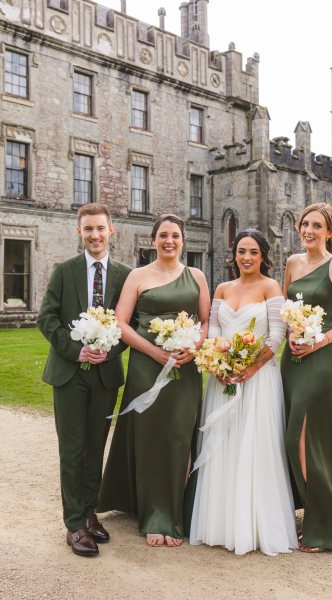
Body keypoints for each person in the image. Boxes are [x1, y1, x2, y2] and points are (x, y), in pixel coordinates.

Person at [97, 214, 210, 547]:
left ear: (183, 240)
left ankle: (176, 509)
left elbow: (206, 321)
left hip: (185, 368)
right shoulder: (138, 276)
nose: (169, 241)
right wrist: (155, 352)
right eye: (163, 235)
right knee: (149, 436)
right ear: (153, 239)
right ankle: (153, 513)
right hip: (147, 367)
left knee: (179, 435)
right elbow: (122, 323)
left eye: (175, 235)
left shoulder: (197, 276)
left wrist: (194, 346)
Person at [190, 229, 298, 556]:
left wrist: (249, 368)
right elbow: (214, 330)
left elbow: (277, 335)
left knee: (256, 446)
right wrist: (219, 366)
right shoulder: (222, 288)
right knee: (222, 444)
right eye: (241, 251)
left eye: (253, 252)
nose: (246, 257)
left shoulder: (270, 287)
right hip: (222, 379)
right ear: (233, 255)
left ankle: (254, 525)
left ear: (263, 256)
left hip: (260, 379)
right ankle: (220, 523)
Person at [37, 203, 132, 556]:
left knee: (95, 447)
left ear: (112, 231)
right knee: (72, 449)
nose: (94, 235)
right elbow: (46, 318)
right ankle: (74, 523)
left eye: (100, 228)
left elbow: (131, 325)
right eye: (88, 229)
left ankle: (90, 513)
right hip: (68, 373)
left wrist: (111, 349)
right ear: (79, 232)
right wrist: (75, 350)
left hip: (105, 375)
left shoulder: (125, 275)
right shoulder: (64, 271)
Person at [280, 202, 332, 553]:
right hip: (292, 359)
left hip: (321, 359)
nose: (309, 230)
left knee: (307, 438)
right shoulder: (292, 263)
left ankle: (324, 526)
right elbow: (287, 309)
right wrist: (290, 333)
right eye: (305, 224)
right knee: (291, 437)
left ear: (330, 232)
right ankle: (310, 511)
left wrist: (319, 340)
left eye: (317, 226)